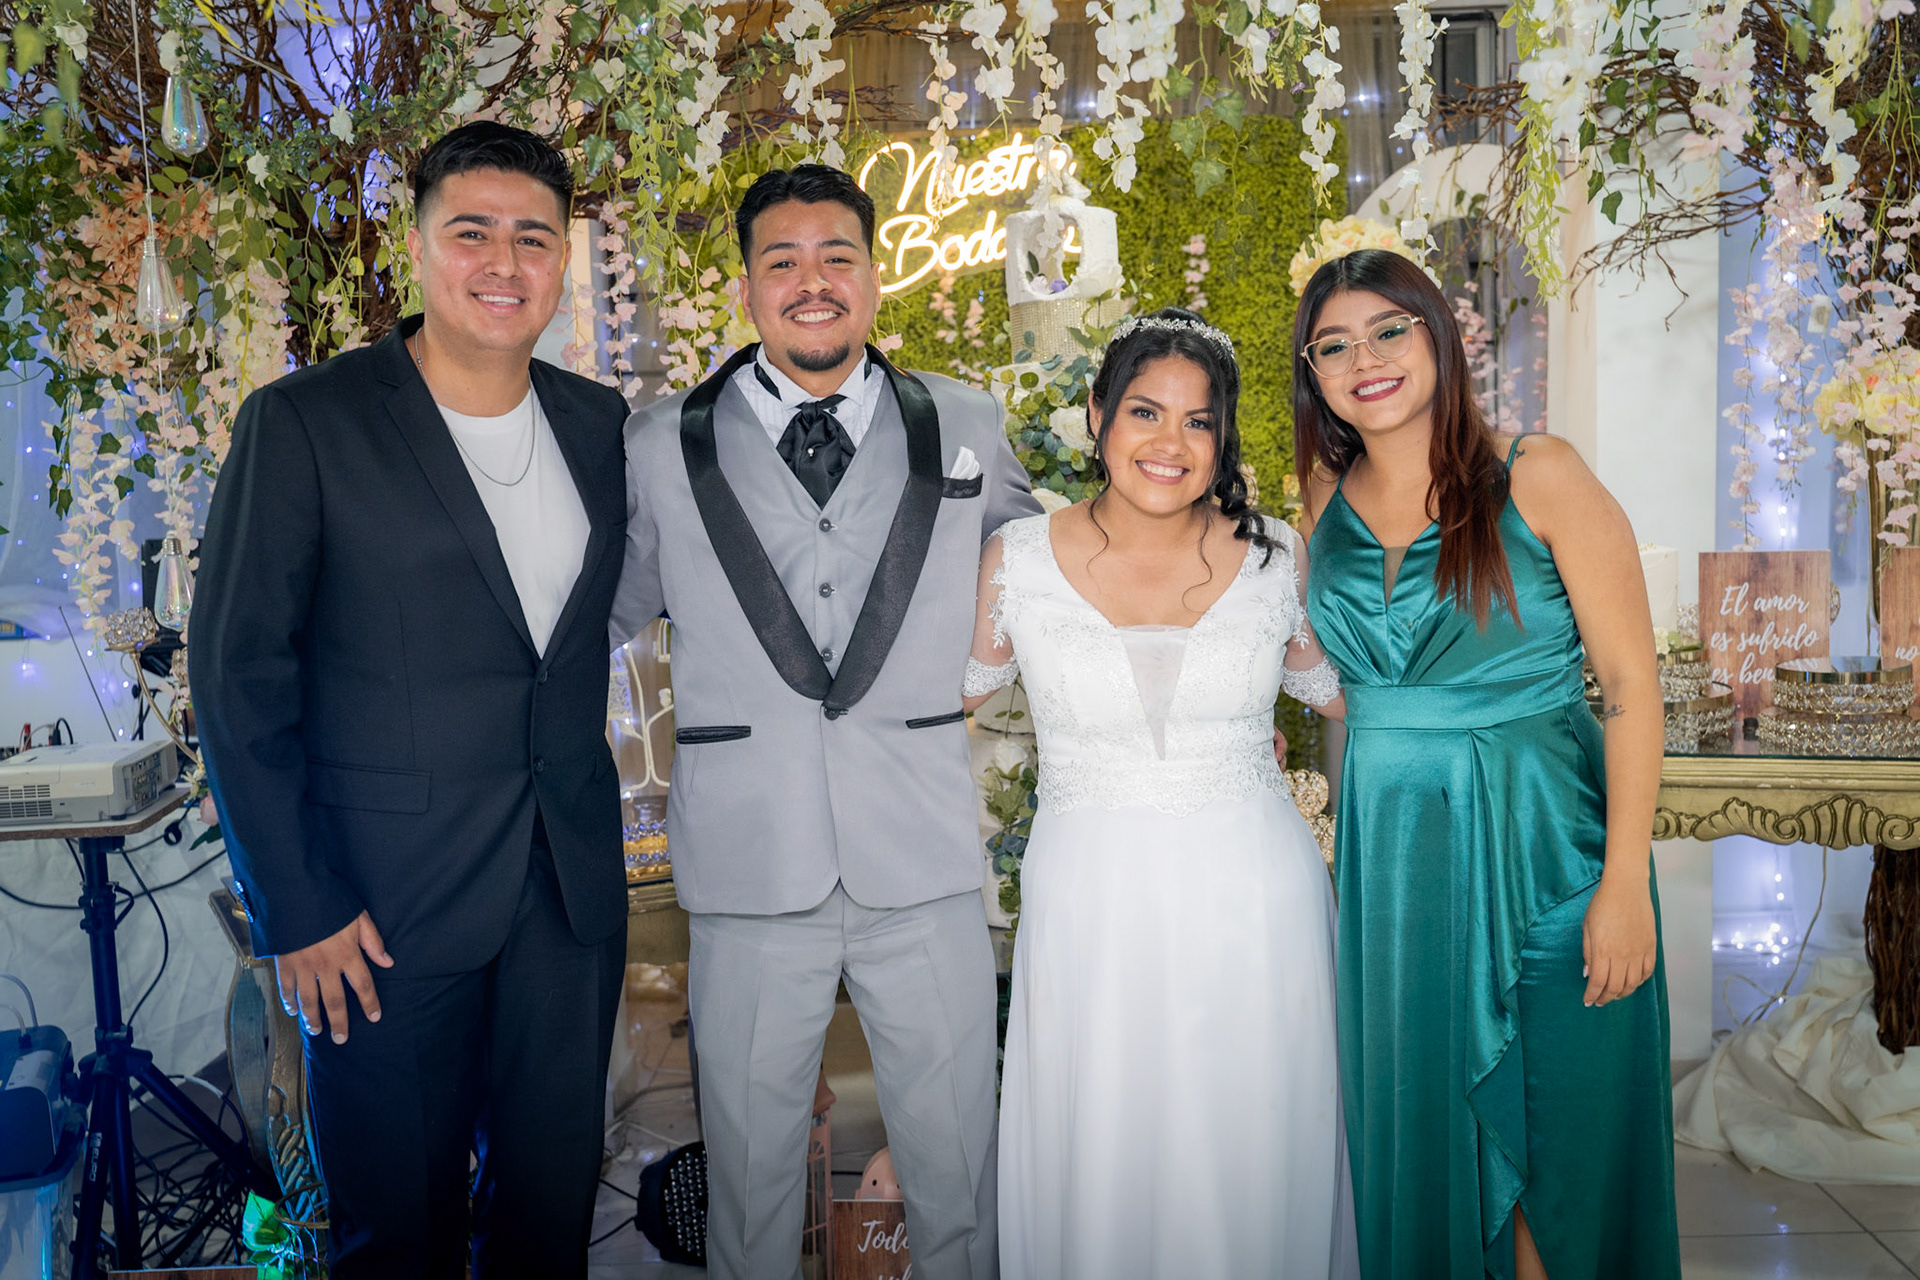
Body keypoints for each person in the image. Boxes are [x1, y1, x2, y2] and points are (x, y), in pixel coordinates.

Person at [191, 122, 632, 1278]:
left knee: (548, 1222)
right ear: (417, 244)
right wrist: (296, 904)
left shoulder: (598, 425)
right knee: (397, 1232)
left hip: (566, 900)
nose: (504, 262)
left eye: (534, 236)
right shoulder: (306, 422)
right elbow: (238, 675)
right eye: (471, 231)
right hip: (376, 912)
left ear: (565, 257)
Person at [609, 163, 1040, 1280]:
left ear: (874, 275)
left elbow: (1046, 578)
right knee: (751, 1193)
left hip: (923, 854)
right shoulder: (658, 443)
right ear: (747, 285)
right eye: (783, 260)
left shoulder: (966, 420)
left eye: (837, 256)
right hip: (749, 863)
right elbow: (596, 619)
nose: (813, 282)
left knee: (959, 1178)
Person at [1292, 249, 1682, 1278]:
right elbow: (1338, 692)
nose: (1365, 359)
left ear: (1438, 335)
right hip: (1399, 886)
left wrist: (1625, 885)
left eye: (1388, 330)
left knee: (1558, 1146)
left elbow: (1631, 688)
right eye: (1333, 346)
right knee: (1425, 1131)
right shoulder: (1321, 498)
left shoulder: (1538, 472)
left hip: (1549, 858)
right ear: (1312, 374)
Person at [965, 307, 1358, 1280]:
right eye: (1145, 411)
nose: (1170, 443)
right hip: (1090, 907)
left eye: (1198, 420)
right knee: (1105, 1141)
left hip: (1255, 907)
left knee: (1251, 1141)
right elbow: (933, 710)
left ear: (1223, 438)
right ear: (1098, 413)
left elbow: (1354, 698)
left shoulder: (1278, 557)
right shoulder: (1016, 560)